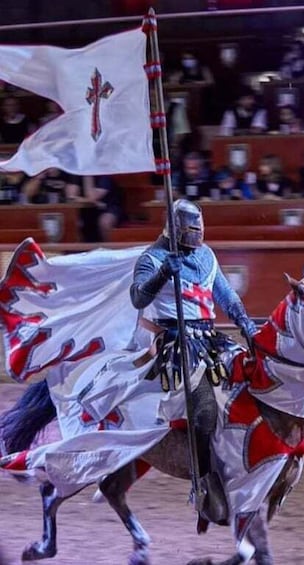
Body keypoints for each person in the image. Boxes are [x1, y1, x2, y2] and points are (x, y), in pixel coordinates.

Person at [130, 199, 257, 528]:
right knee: (203, 410)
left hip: (210, 337)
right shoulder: (151, 258)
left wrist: (246, 324)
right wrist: (161, 274)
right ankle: (201, 486)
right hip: (174, 342)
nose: (196, 240)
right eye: (190, 233)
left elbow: (226, 296)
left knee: (251, 383)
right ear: (174, 231)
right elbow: (138, 298)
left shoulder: (206, 256)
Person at [71, 175, 123, 242]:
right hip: (86, 209)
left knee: (105, 221)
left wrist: (87, 176)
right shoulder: (76, 175)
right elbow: (71, 197)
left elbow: (92, 197)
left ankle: (109, 249)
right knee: (73, 219)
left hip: (108, 208)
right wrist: (92, 201)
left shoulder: (104, 177)